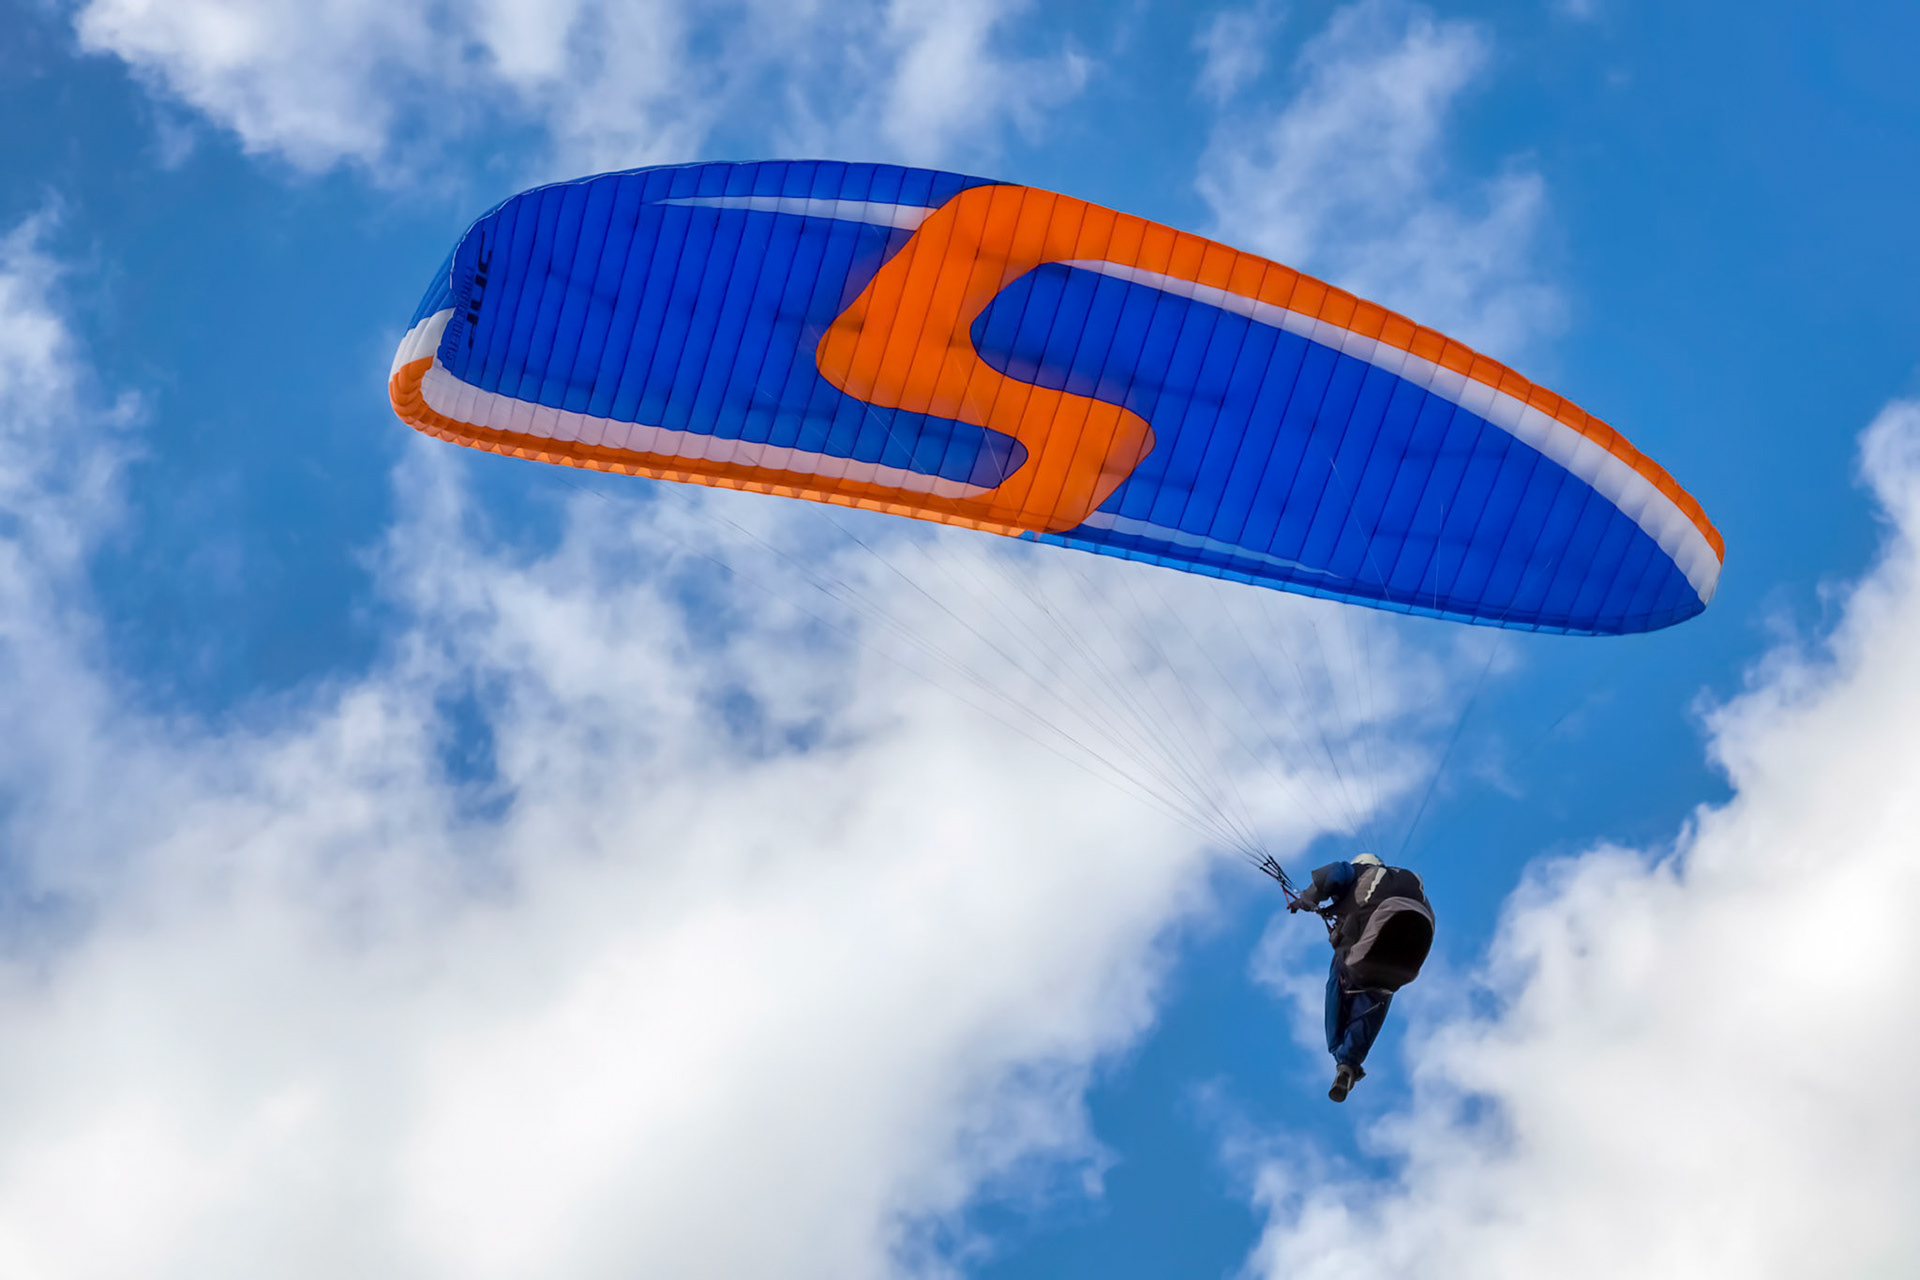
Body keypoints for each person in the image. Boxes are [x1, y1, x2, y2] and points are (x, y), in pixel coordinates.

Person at [1288, 853, 1435, 1102]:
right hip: (1405, 965)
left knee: (1341, 972)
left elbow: (1333, 874)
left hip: (1365, 957)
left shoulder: (1360, 872)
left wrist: (1306, 899)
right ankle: (1348, 1062)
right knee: (1377, 995)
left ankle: (1343, 1058)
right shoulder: (1412, 882)